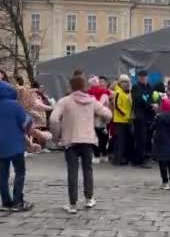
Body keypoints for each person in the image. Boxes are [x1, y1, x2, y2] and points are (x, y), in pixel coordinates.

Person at [50, 75, 112, 214]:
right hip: (88, 140)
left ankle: (72, 204)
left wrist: (56, 136)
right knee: (87, 169)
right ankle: (89, 199)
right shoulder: (92, 101)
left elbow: (54, 119)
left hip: (70, 140)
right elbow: (108, 114)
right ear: (85, 86)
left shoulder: (64, 101)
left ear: (70, 87)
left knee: (72, 171)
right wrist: (99, 121)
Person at [0, 81, 38, 212]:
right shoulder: (15, 105)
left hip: (1, 145)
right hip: (16, 144)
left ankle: (5, 202)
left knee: (3, 174)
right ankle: (18, 201)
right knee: (20, 172)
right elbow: (26, 123)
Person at [153, 98, 170, 190]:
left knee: (162, 163)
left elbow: (153, 127)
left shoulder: (159, 117)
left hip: (160, 141)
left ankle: (165, 182)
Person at [131, 70, 155, 168]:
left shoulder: (149, 87)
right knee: (141, 138)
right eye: (141, 77)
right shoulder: (136, 87)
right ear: (138, 78)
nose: (143, 79)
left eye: (145, 77)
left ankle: (144, 157)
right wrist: (150, 105)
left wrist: (153, 104)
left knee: (147, 138)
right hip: (140, 116)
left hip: (149, 116)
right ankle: (140, 159)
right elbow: (139, 98)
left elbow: (152, 97)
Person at [87, 76, 111, 164]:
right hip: (94, 117)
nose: (101, 83)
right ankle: (97, 154)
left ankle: (104, 153)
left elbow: (102, 104)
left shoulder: (105, 93)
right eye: (99, 81)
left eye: (102, 81)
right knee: (95, 136)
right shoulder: (89, 93)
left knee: (103, 137)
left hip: (103, 118)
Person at [112, 75, 133, 166]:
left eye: (127, 82)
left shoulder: (128, 93)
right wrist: (125, 114)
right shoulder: (118, 92)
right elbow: (117, 106)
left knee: (125, 141)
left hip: (127, 120)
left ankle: (123, 158)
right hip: (120, 120)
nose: (126, 84)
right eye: (124, 82)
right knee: (120, 141)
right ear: (120, 83)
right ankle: (118, 159)